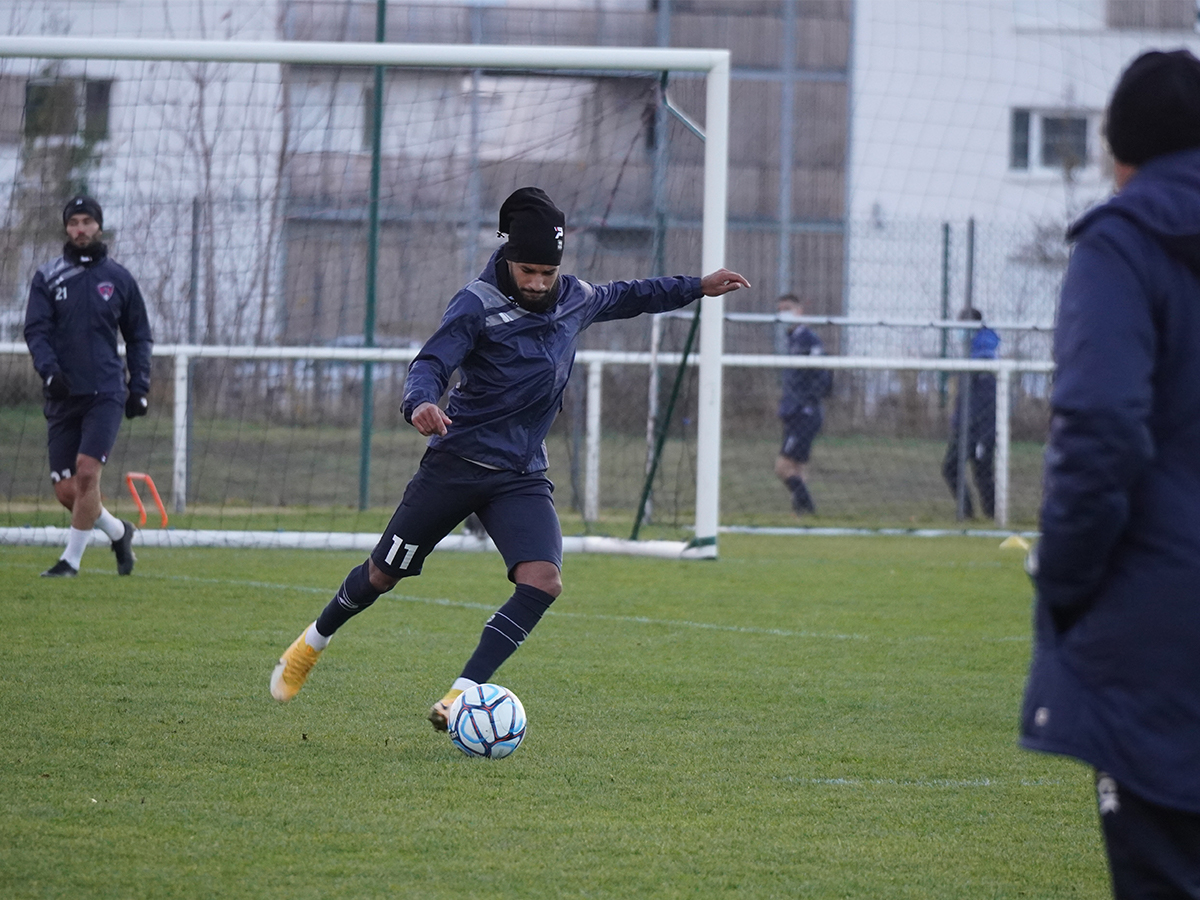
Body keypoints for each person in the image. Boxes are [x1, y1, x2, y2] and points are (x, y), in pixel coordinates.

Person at [270, 186, 750, 729]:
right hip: (455, 466)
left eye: (548, 272)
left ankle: (460, 696)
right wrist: (420, 402)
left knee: (543, 580)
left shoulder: (574, 297)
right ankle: (312, 642)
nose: (539, 283)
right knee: (382, 575)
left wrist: (697, 286)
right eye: (528, 271)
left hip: (520, 474)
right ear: (508, 257)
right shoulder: (476, 304)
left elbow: (630, 294)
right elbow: (431, 362)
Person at [1019, 49, 1200, 898]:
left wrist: (1062, 582)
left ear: (1119, 152)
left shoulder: (1123, 242)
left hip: (1164, 633)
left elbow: (1099, 431)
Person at [23, 195, 153, 578]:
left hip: (106, 392)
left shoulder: (120, 279)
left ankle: (70, 561)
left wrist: (139, 386)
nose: (80, 229)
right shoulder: (47, 277)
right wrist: (49, 372)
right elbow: (36, 330)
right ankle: (118, 531)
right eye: (74, 222)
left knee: (86, 473)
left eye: (87, 221)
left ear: (99, 225)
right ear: (67, 227)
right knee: (68, 492)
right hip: (62, 393)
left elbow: (139, 336)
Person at [773, 294, 832, 515]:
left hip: (805, 412)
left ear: (799, 311)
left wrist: (808, 402)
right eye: (780, 310)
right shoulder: (791, 340)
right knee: (797, 467)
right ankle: (801, 515)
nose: (783, 314)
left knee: (782, 467)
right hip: (793, 411)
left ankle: (809, 508)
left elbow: (823, 375)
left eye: (787, 308)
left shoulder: (809, 339)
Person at [940, 308, 999, 519]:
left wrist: (982, 430)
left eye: (961, 327)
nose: (958, 332)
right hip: (966, 424)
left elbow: (986, 399)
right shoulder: (971, 353)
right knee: (956, 468)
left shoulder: (984, 356)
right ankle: (970, 512)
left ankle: (988, 514)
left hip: (979, 427)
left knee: (979, 471)